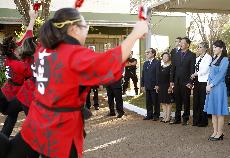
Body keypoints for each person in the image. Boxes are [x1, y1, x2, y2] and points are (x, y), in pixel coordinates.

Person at [1, 7, 148, 158]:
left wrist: (32, 19)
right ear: (73, 29)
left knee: (10, 153)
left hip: (37, 122)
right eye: (85, 26)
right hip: (60, 129)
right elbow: (110, 61)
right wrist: (135, 34)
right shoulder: (72, 55)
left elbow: (29, 39)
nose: (87, 29)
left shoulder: (43, 50)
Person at [204, 40, 229, 141]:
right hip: (211, 87)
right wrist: (207, 84)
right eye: (213, 47)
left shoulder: (225, 60)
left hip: (219, 87)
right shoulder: (214, 58)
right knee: (213, 112)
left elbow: (221, 75)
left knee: (219, 112)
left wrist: (211, 85)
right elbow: (210, 74)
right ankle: (215, 131)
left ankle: (220, 133)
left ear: (221, 48)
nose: (214, 49)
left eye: (216, 47)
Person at [170, 37, 196, 125]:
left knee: (186, 101)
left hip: (186, 82)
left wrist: (190, 82)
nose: (180, 44)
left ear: (187, 45)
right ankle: (177, 118)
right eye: (180, 42)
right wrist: (171, 81)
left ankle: (185, 119)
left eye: (183, 43)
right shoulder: (176, 54)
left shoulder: (192, 55)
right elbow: (173, 68)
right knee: (177, 101)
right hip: (176, 81)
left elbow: (192, 69)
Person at [191, 42, 212, 127]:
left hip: (204, 81)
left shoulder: (208, 58)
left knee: (203, 101)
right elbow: (195, 69)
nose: (198, 49)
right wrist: (194, 75)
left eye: (200, 47)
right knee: (196, 101)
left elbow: (206, 69)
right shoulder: (197, 58)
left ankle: (203, 121)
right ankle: (196, 120)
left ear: (205, 48)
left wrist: (195, 74)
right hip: (197, 81)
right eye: (198, 47)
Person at [141, 48, 160, 121]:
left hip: (154, 85)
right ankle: (149, 115)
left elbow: (158, 74)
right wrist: (142, 85)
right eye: (146, 52)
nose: (146, 54)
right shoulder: (145, 63)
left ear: (153, 54)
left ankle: (156, 115)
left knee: (155, 101)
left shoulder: (157, 62)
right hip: (147, 85)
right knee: (148, 101)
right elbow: (143, 75)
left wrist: (157, 84)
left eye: (148, 52)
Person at [157, 52, 173, 123]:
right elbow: (158, 77)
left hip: (168, 86)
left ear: (169, 58)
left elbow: (172, 78)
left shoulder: (171, 66)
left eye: (166, 57)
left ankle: (168, 117)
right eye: (163, 57)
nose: (165, 58)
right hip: (161, 86)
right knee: (163, 102)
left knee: (168, 102)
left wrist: (171, 87)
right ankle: (164, 116)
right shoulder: (160, 66)